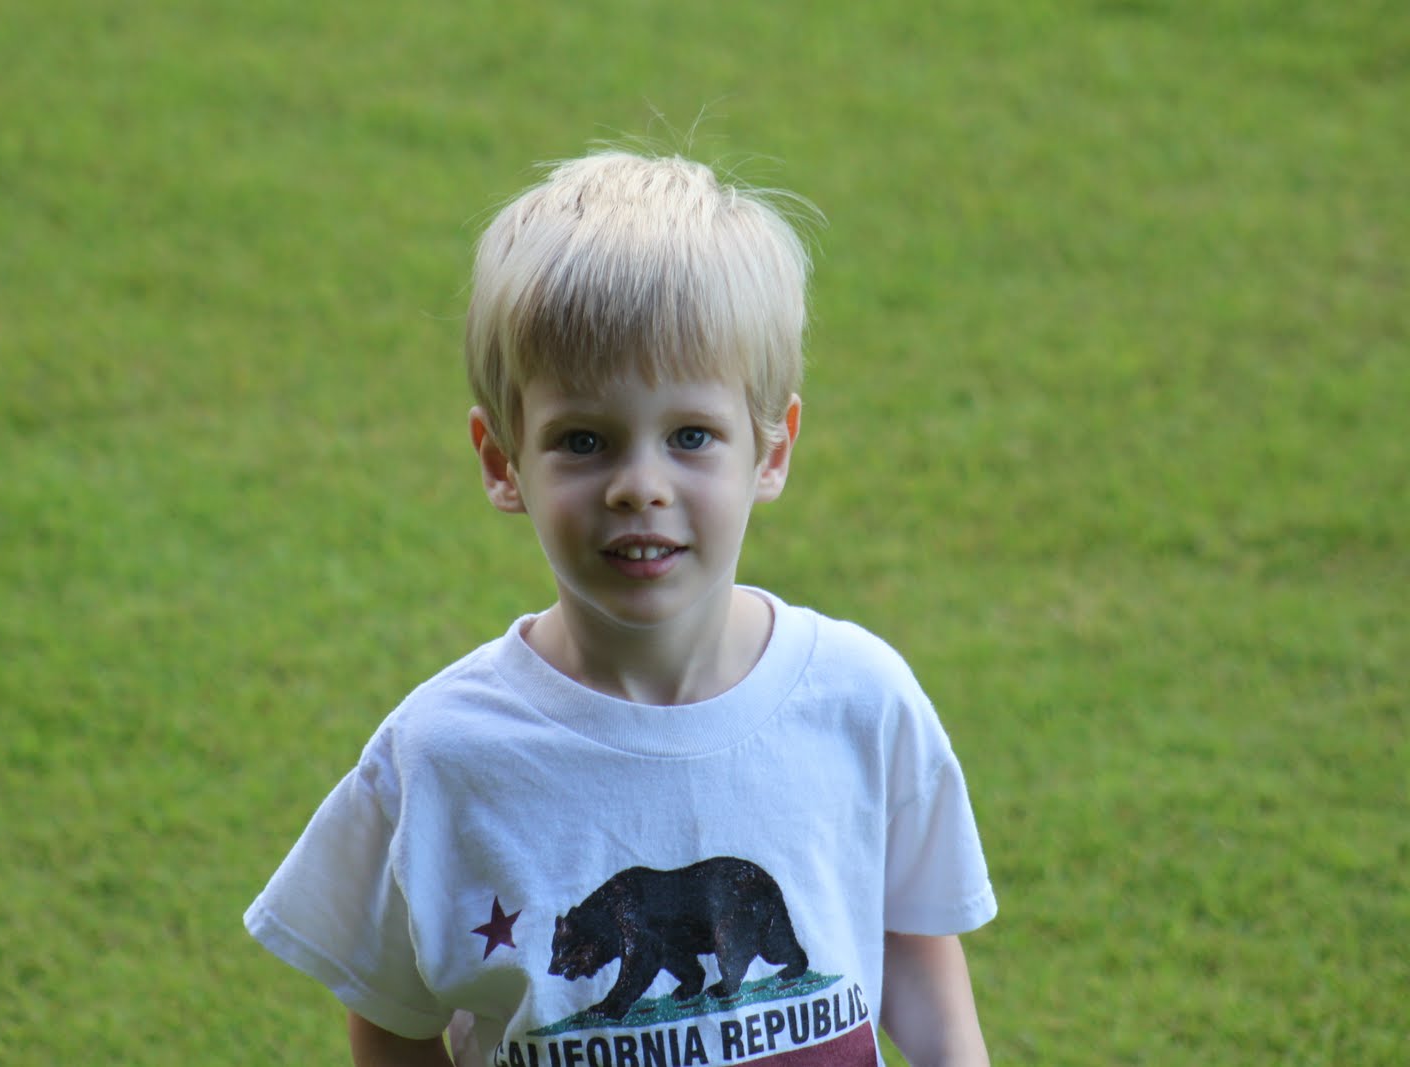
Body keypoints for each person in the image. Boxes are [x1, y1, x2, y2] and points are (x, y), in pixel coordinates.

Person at [244, 150, 997, 1067]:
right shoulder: (444, 758)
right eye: (584, 440)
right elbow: (390, 1015)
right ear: (502, 461)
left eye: (691, 435)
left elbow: (914, 949)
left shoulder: (859, 699)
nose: (640, 485)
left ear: (770, 449)